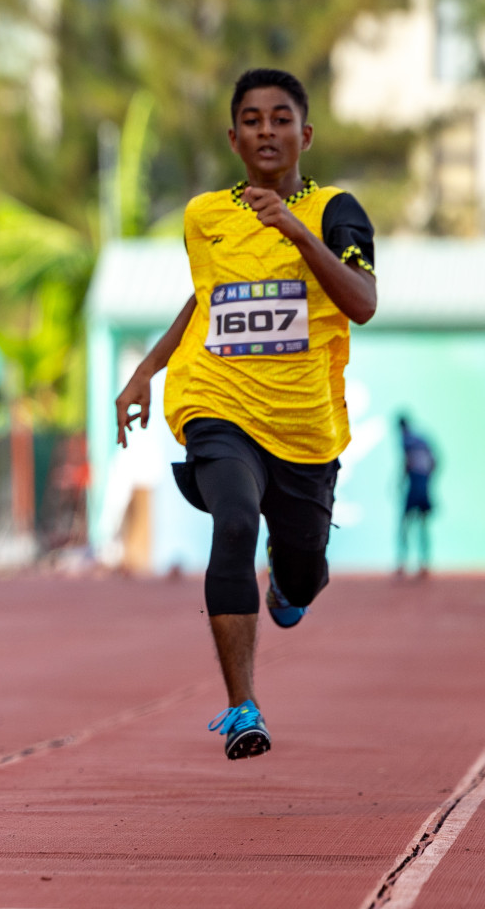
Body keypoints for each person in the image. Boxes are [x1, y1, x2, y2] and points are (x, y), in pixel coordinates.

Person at [115, 68, 377, 761]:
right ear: (234, 138)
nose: (267, 130)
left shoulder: (336, 211)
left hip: (303, 426)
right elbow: (203, 302)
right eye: (253, 120)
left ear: (305, 134)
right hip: (217, 401)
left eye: (281, 118)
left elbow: (362, 302)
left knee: (304, 573)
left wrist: (295, 229)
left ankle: (293, 579)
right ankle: (241, 707)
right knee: (232, 519)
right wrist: (147, 369)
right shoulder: (205, 216)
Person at [395, 414, 437, 578]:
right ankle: (424, 563)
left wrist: (401, 481)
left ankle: (402, 562)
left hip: (414, 485)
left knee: (405, 524)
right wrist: (426, 482)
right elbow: (434, 461)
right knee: (422, 524)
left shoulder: (405, 440)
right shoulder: (422, 439)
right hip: (423, 484)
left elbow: (407, 463)